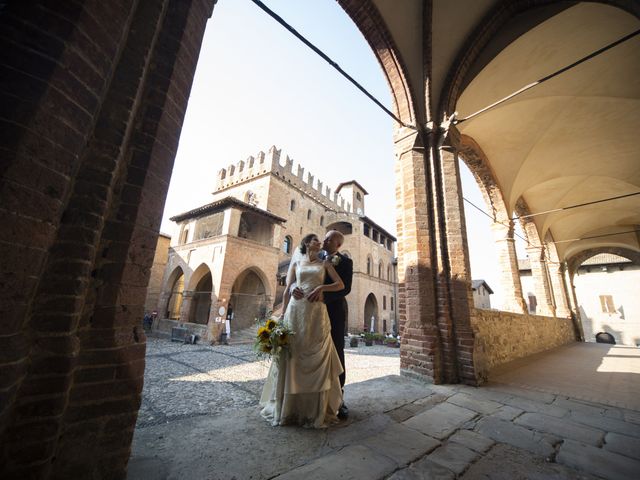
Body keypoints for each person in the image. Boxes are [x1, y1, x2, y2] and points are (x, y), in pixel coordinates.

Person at [260, 234, 345, 428]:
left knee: (314, 353)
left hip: (316, 313)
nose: (319, 242)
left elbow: (340, 284)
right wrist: (285, 305)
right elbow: (289, 287)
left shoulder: (325, 264)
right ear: (307, 243)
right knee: (294, 355)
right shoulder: (296, 263)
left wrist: (323, 287)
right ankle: (289, 409)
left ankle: (313, 411)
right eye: (315, 239)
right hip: (295, 312)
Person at [292, 230, 353, 419]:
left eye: (330, 239)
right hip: (310, 312)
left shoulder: (345, 262)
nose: (325, 240)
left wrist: (323, 296)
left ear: (338, 244)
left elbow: (346, 288)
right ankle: (311, 397)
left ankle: (339, 398)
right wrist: (295, 288)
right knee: (310, 351)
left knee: (335, 351)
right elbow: (298, 278)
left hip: (333, 311)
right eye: (324, 237)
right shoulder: (315, 257)